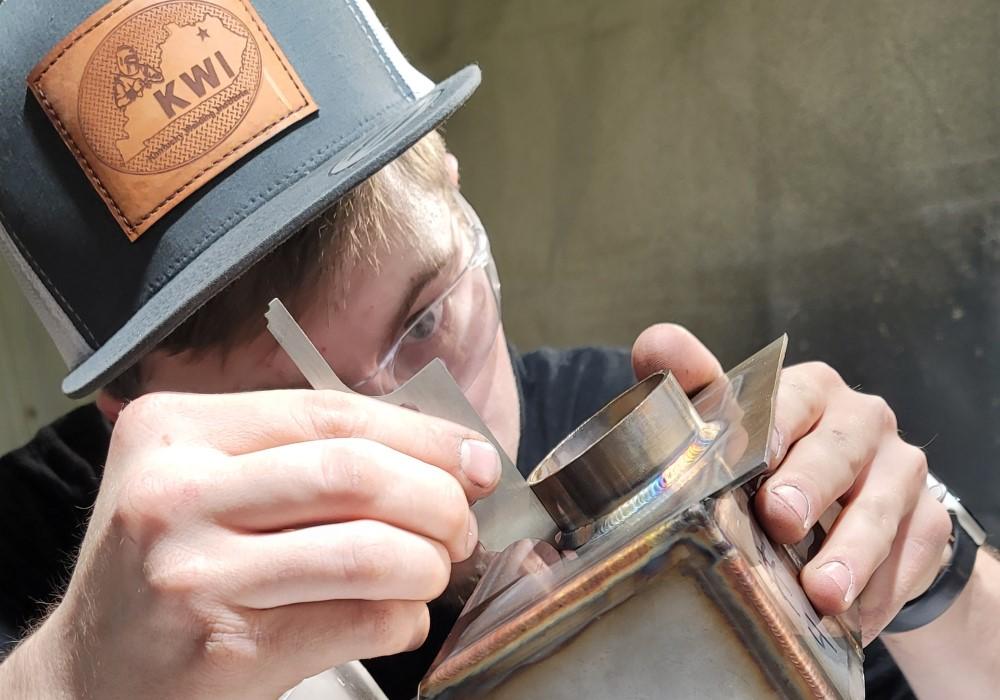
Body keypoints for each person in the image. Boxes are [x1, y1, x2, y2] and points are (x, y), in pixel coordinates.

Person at [0, 1, 996, 698]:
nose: (446, 449)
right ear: (133, 418)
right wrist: (71, 679)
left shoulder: (616, 427)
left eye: (428, 320)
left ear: (463, 203)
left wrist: (931, 576)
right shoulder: (35, 561)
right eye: (305, 414)